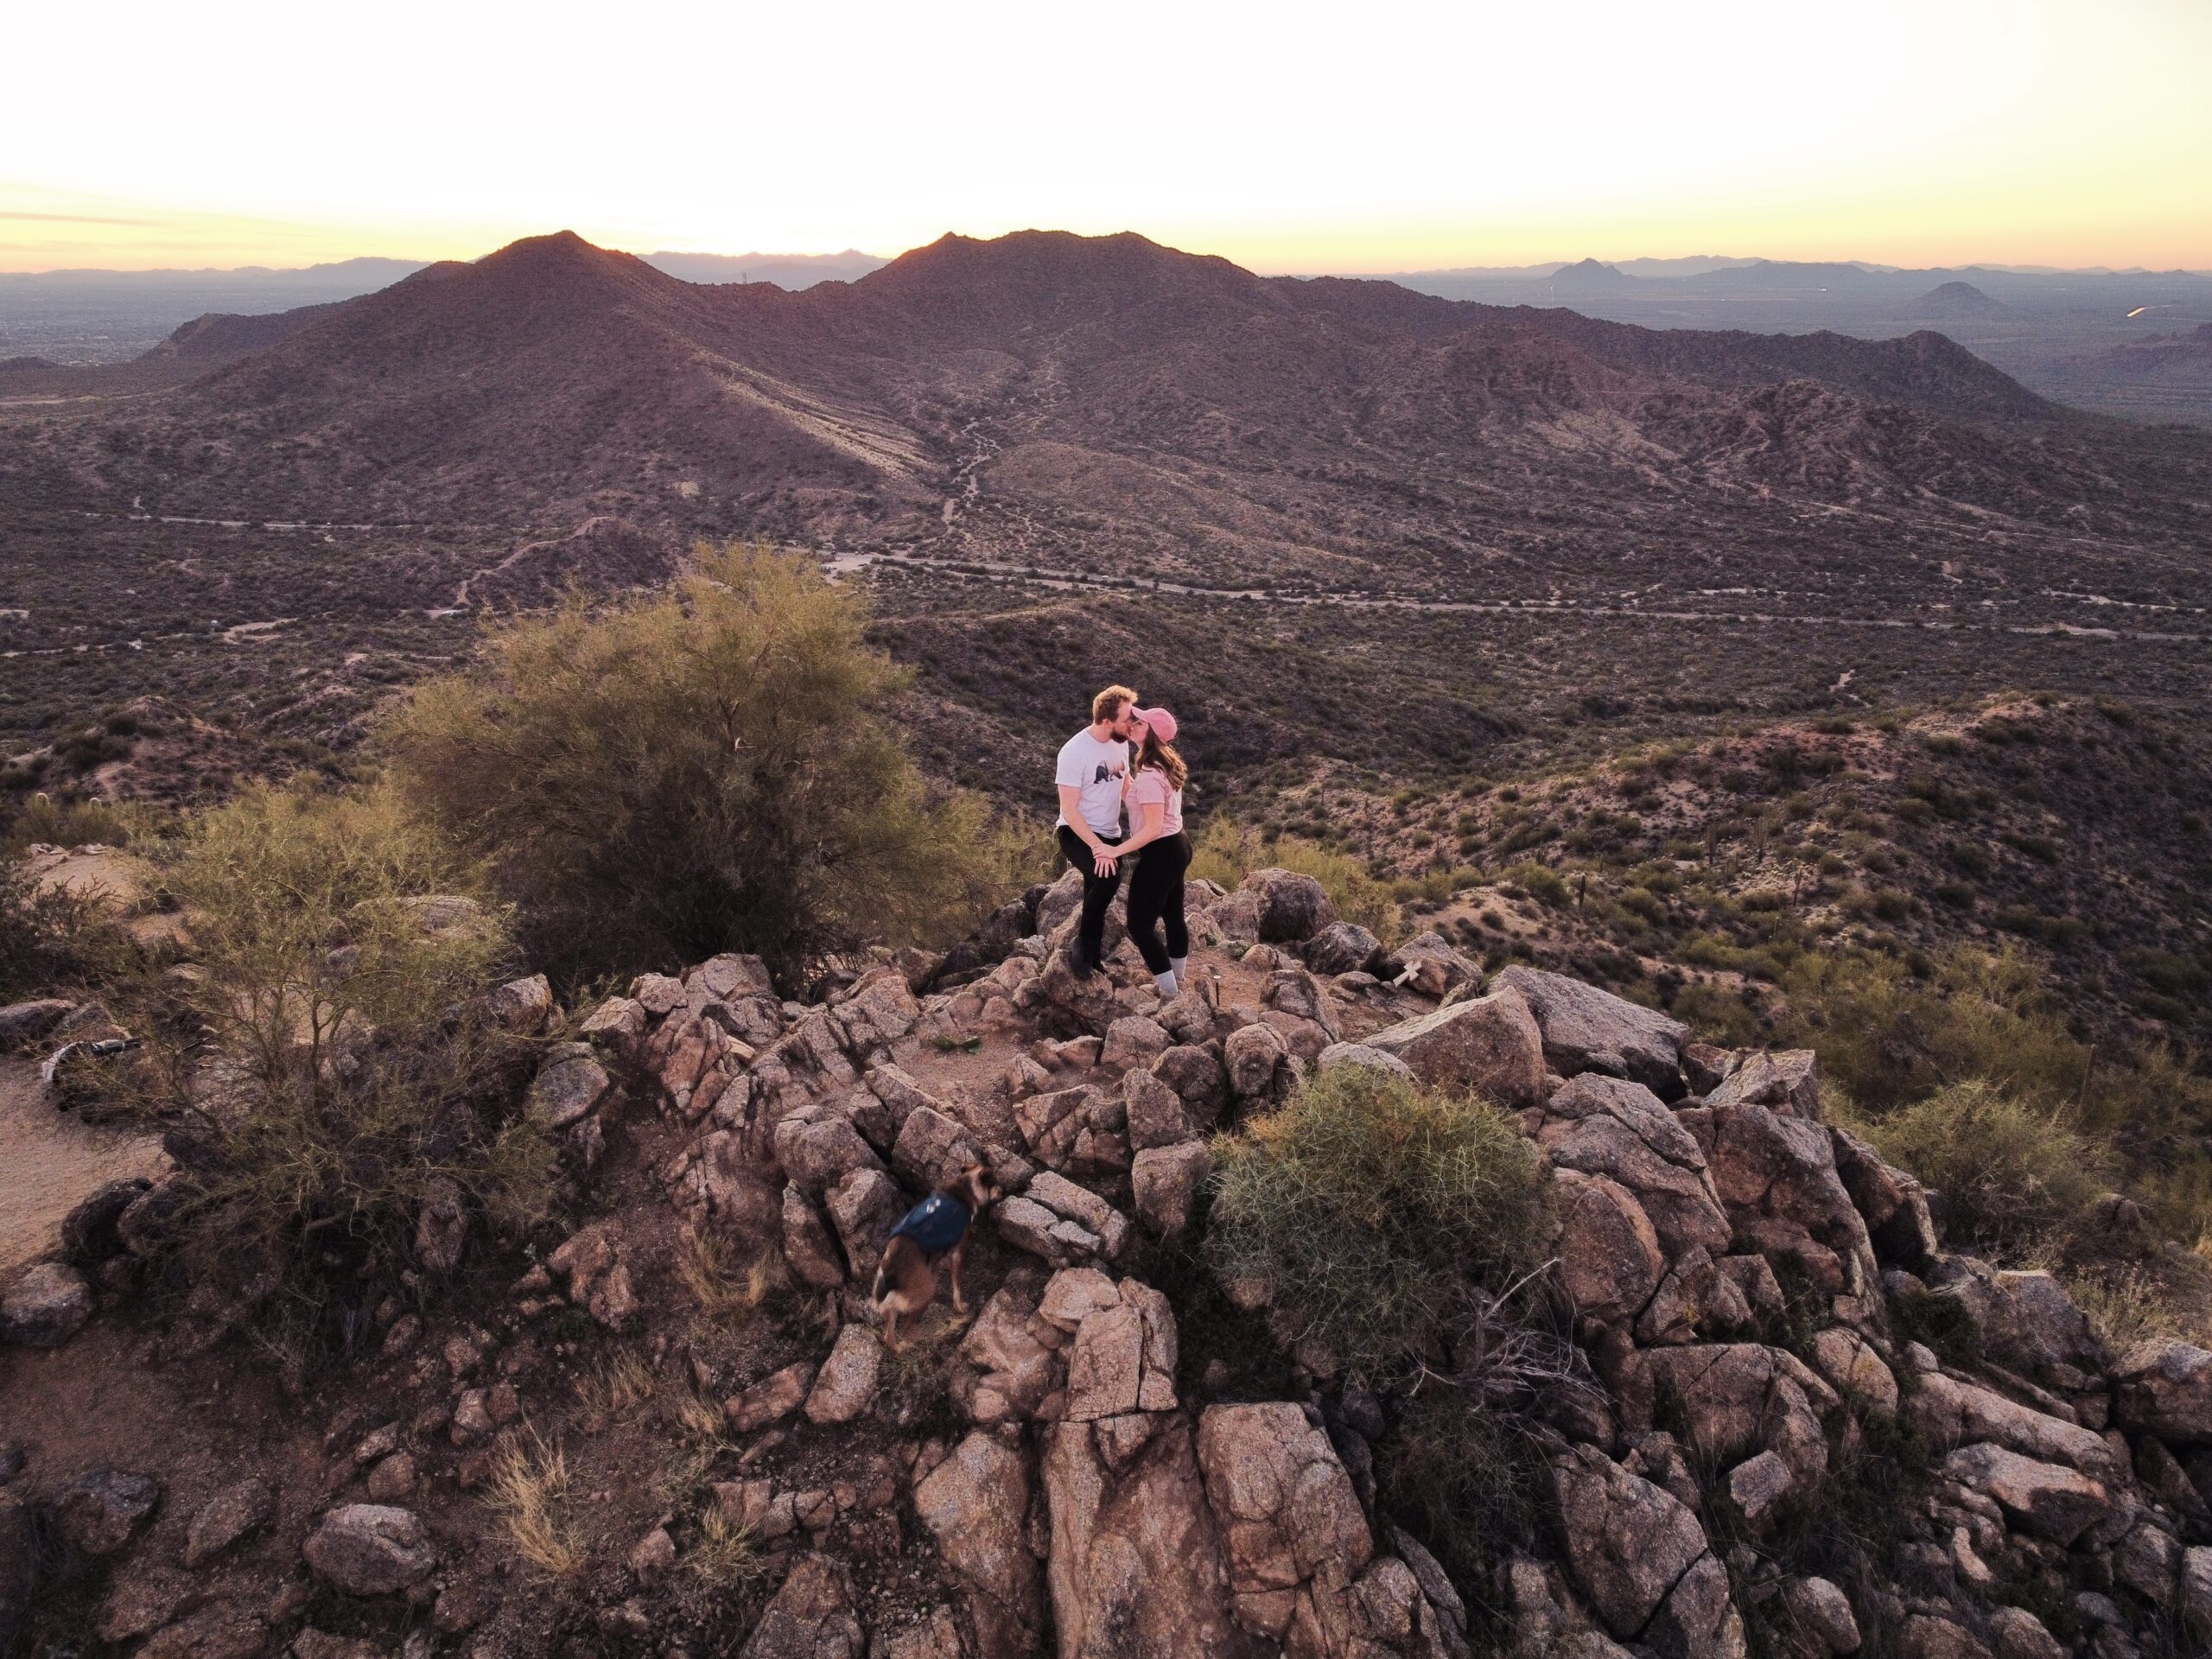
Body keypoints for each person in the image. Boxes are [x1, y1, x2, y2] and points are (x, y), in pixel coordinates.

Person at [1054, 684, 1140, 976]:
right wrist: (1096, 847)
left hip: (1110, 833)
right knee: (1108, 881)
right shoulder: (1074, 752)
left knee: (1098, 888)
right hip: (1076, 832)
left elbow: (1125, 784)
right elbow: (1069, 810)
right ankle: (1082, 944)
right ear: (1107, 722)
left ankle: (1092, 958)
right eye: (1127, 718)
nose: (1133, 723)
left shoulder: (1121, 743)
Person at [1115, 706, 1191, 997]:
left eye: (1140, 721)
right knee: (1173, 915)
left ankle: (1170, 993)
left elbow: (1151, 828)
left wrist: (1115, 851)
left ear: (1151, 733)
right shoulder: (1162, 765)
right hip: (1178, 845)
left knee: (1139, 925)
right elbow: (1141, 800)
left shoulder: (1150, 776)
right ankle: (1178, 980)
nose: (1133, 723)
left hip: (1161, 852)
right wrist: (1123, 780)